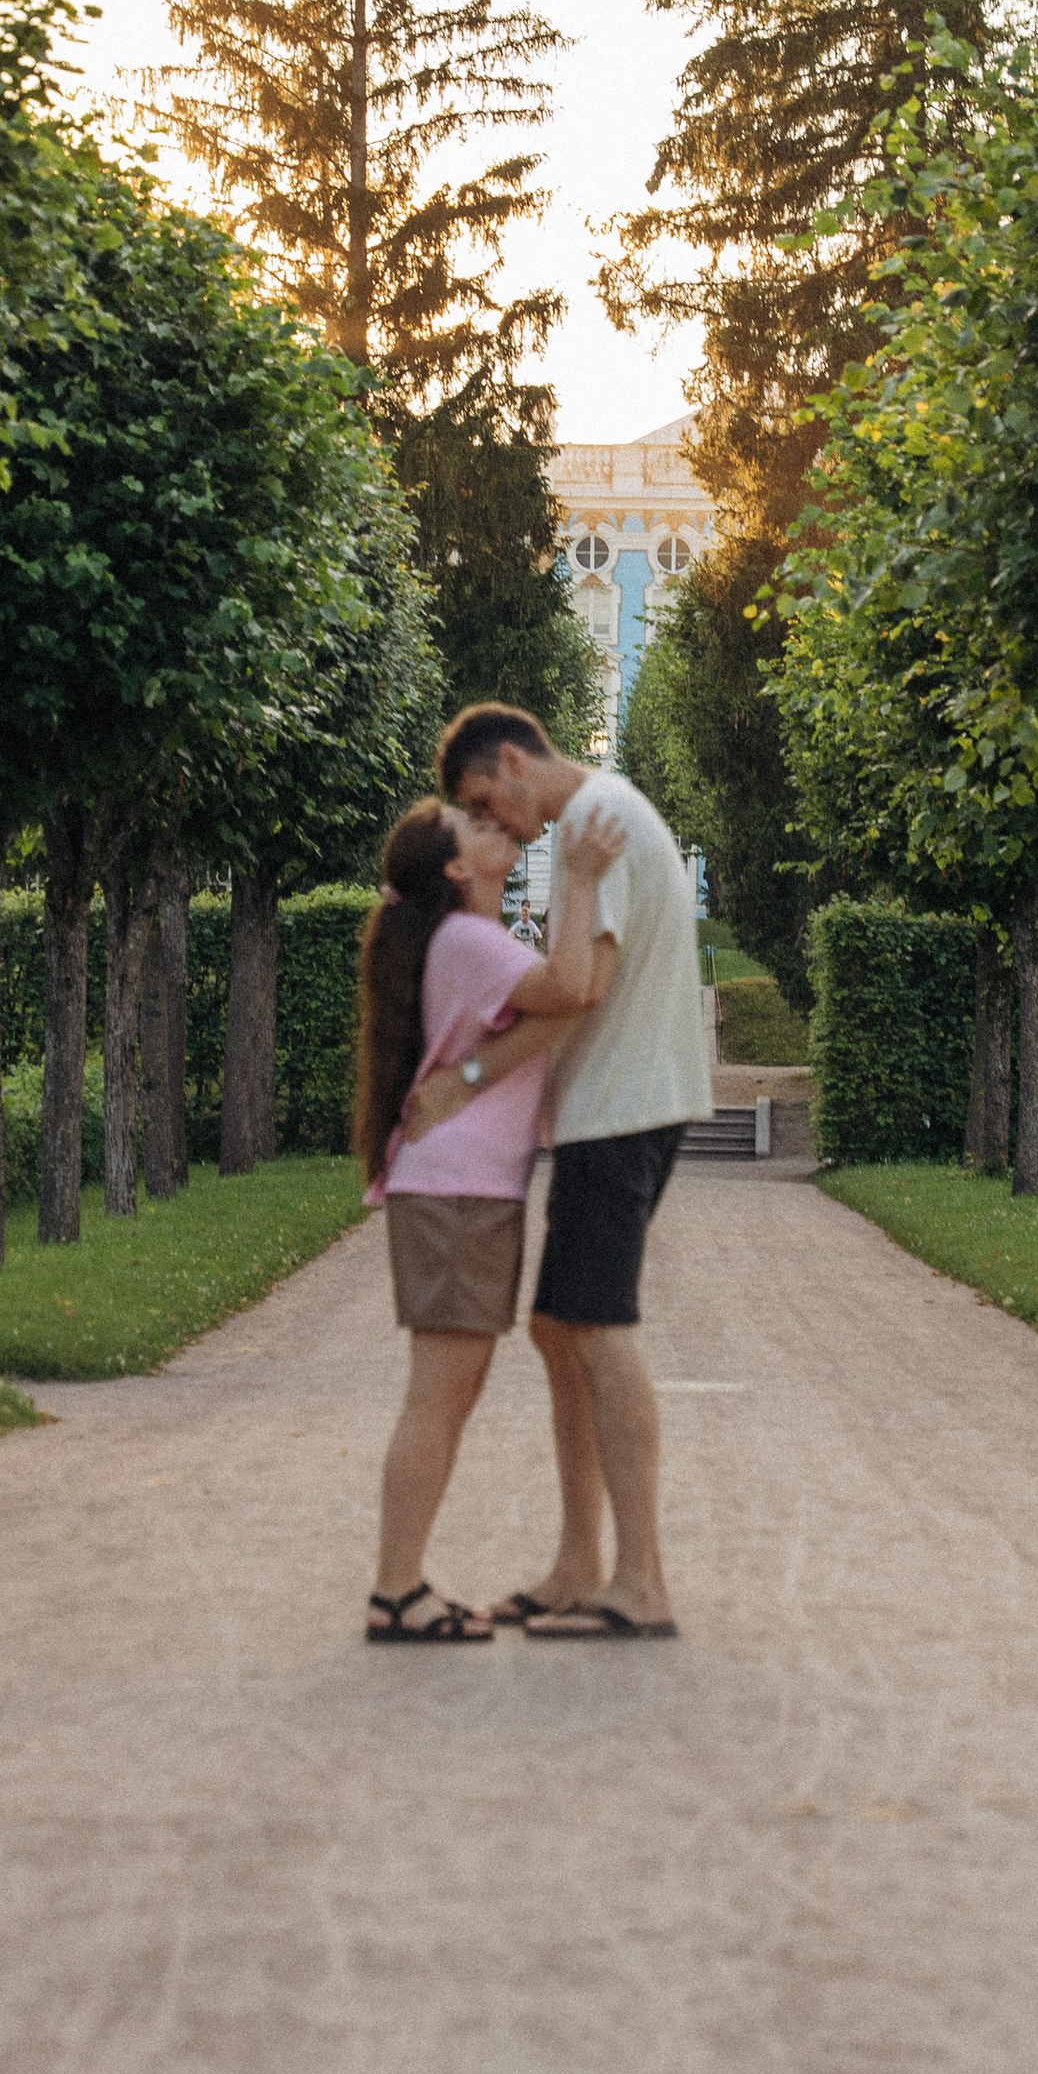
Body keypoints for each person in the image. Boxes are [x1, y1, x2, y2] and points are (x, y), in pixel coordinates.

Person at [418, 701, 708, 1641]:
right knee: (559, 1326)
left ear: (512, 759)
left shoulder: (594, 822)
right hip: (613, 1110)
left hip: (622, 1111)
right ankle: (582, 1563)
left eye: (483, 800)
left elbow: (580, 988)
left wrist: (468, 1078)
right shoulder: (597, 819)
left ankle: (642, 1582)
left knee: (596, 1325)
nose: (492, 823)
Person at [352, 785, 622, 1644]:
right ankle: (396, 1591)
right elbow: (572, 985)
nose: (493, 822)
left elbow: (551, 1010)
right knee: (437, 1396)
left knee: (446, 1394)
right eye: (470, 825)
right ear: (457, 868)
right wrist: (578, 879)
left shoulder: (467, 939)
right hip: (458, 1194)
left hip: (463, 1191)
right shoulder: (468, 938)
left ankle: (403, 1587)